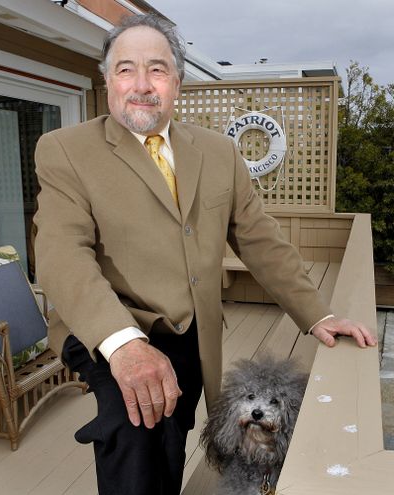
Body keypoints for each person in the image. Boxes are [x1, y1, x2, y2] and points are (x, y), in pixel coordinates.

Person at [33, 13, 376, 495]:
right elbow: (61, 253)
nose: (142, 84)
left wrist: (318, 314)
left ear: (176, 81)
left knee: (173, 437)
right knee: (134, 431)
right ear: (107, 80)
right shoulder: (64, 149)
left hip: (191, 328)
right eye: (126, 69)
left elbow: (258, 237)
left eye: (157, 69)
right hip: (110, 324)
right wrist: (126, 345)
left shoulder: (218, 152)